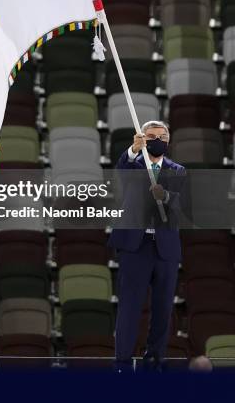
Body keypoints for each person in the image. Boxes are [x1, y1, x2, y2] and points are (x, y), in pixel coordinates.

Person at [108, 120, 186, 372]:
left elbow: (182, 206)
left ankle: (154, 360)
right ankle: (121, 361)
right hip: (136, 245)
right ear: (142, 138)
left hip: (165, 248)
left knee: (163, 308)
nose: (157, 141)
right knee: (130, 305)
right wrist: (132, 150)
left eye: (162, 137)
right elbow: (120, 171)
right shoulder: (133, 164)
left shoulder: (177, 170)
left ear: (168, 142)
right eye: (151, 136)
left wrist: (165, 196)